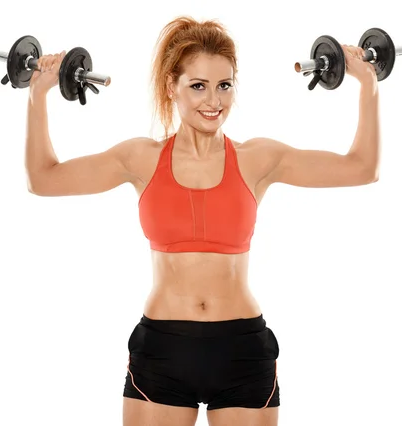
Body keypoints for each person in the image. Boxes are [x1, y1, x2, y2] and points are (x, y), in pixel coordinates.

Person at [26, 15, 379, 426]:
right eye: (198, 86)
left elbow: (361, 168)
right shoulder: (140, 158)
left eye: (224, 85)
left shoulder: (257, 159)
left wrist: (367, 84)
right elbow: (44, 179)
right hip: (163, 350)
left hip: (242, 350)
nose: (214, 101)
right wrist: (38, 95)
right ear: (171, 87)